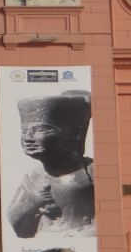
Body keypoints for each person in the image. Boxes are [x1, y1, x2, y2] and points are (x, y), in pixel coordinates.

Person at [6, 90, 95, 237]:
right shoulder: (34, 177)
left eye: (40, 130)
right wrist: (33, 202)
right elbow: (18, 227)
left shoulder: (92, 171)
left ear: (69, 135)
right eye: (24, 131)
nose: (28, 138)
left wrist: (86, 234)